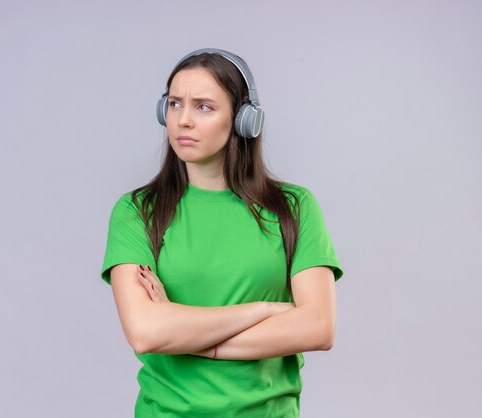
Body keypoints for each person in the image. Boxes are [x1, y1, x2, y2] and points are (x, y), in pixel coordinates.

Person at [100, 48, 343, 417]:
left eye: (203, 107)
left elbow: (318, 327)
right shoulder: (137, 212)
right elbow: (146, 332)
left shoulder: (294, 207)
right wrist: (262, 310)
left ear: (244, 120)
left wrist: (190, 336)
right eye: (175, 104)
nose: (183, 120)